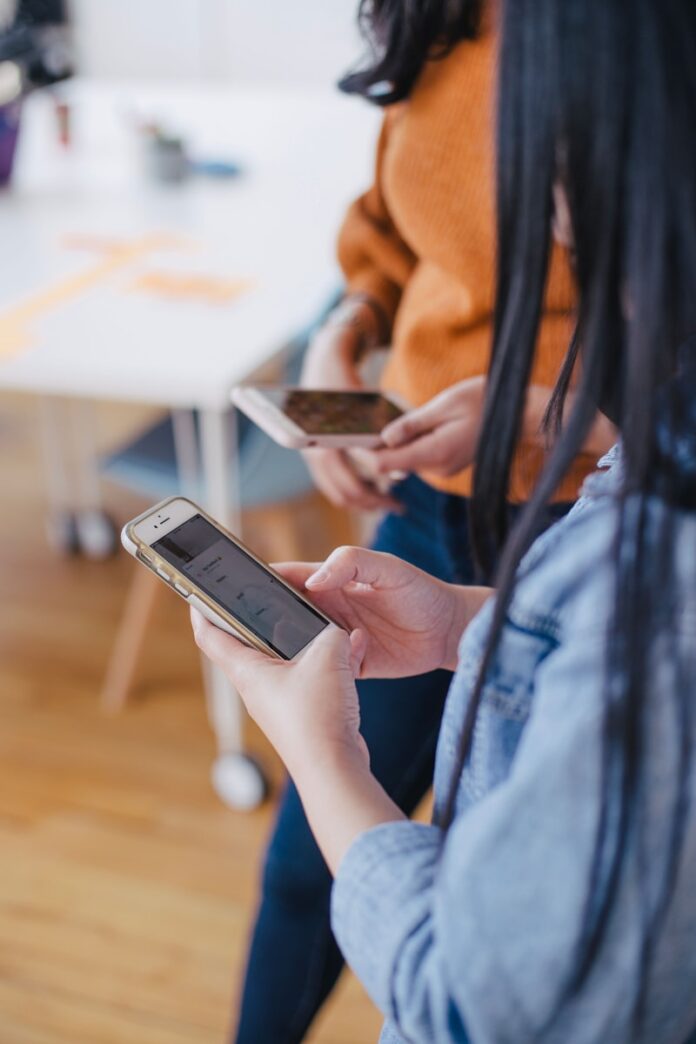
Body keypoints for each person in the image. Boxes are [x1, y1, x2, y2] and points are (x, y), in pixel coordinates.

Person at [193, 0, 696, 1040]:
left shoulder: (643, 576)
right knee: (301, 867)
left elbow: (475, 996)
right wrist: (348, 329)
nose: (538, 202)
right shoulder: (445, 25)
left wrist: (322, 755)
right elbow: (383, 223)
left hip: (577, 496)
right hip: (447, 497)